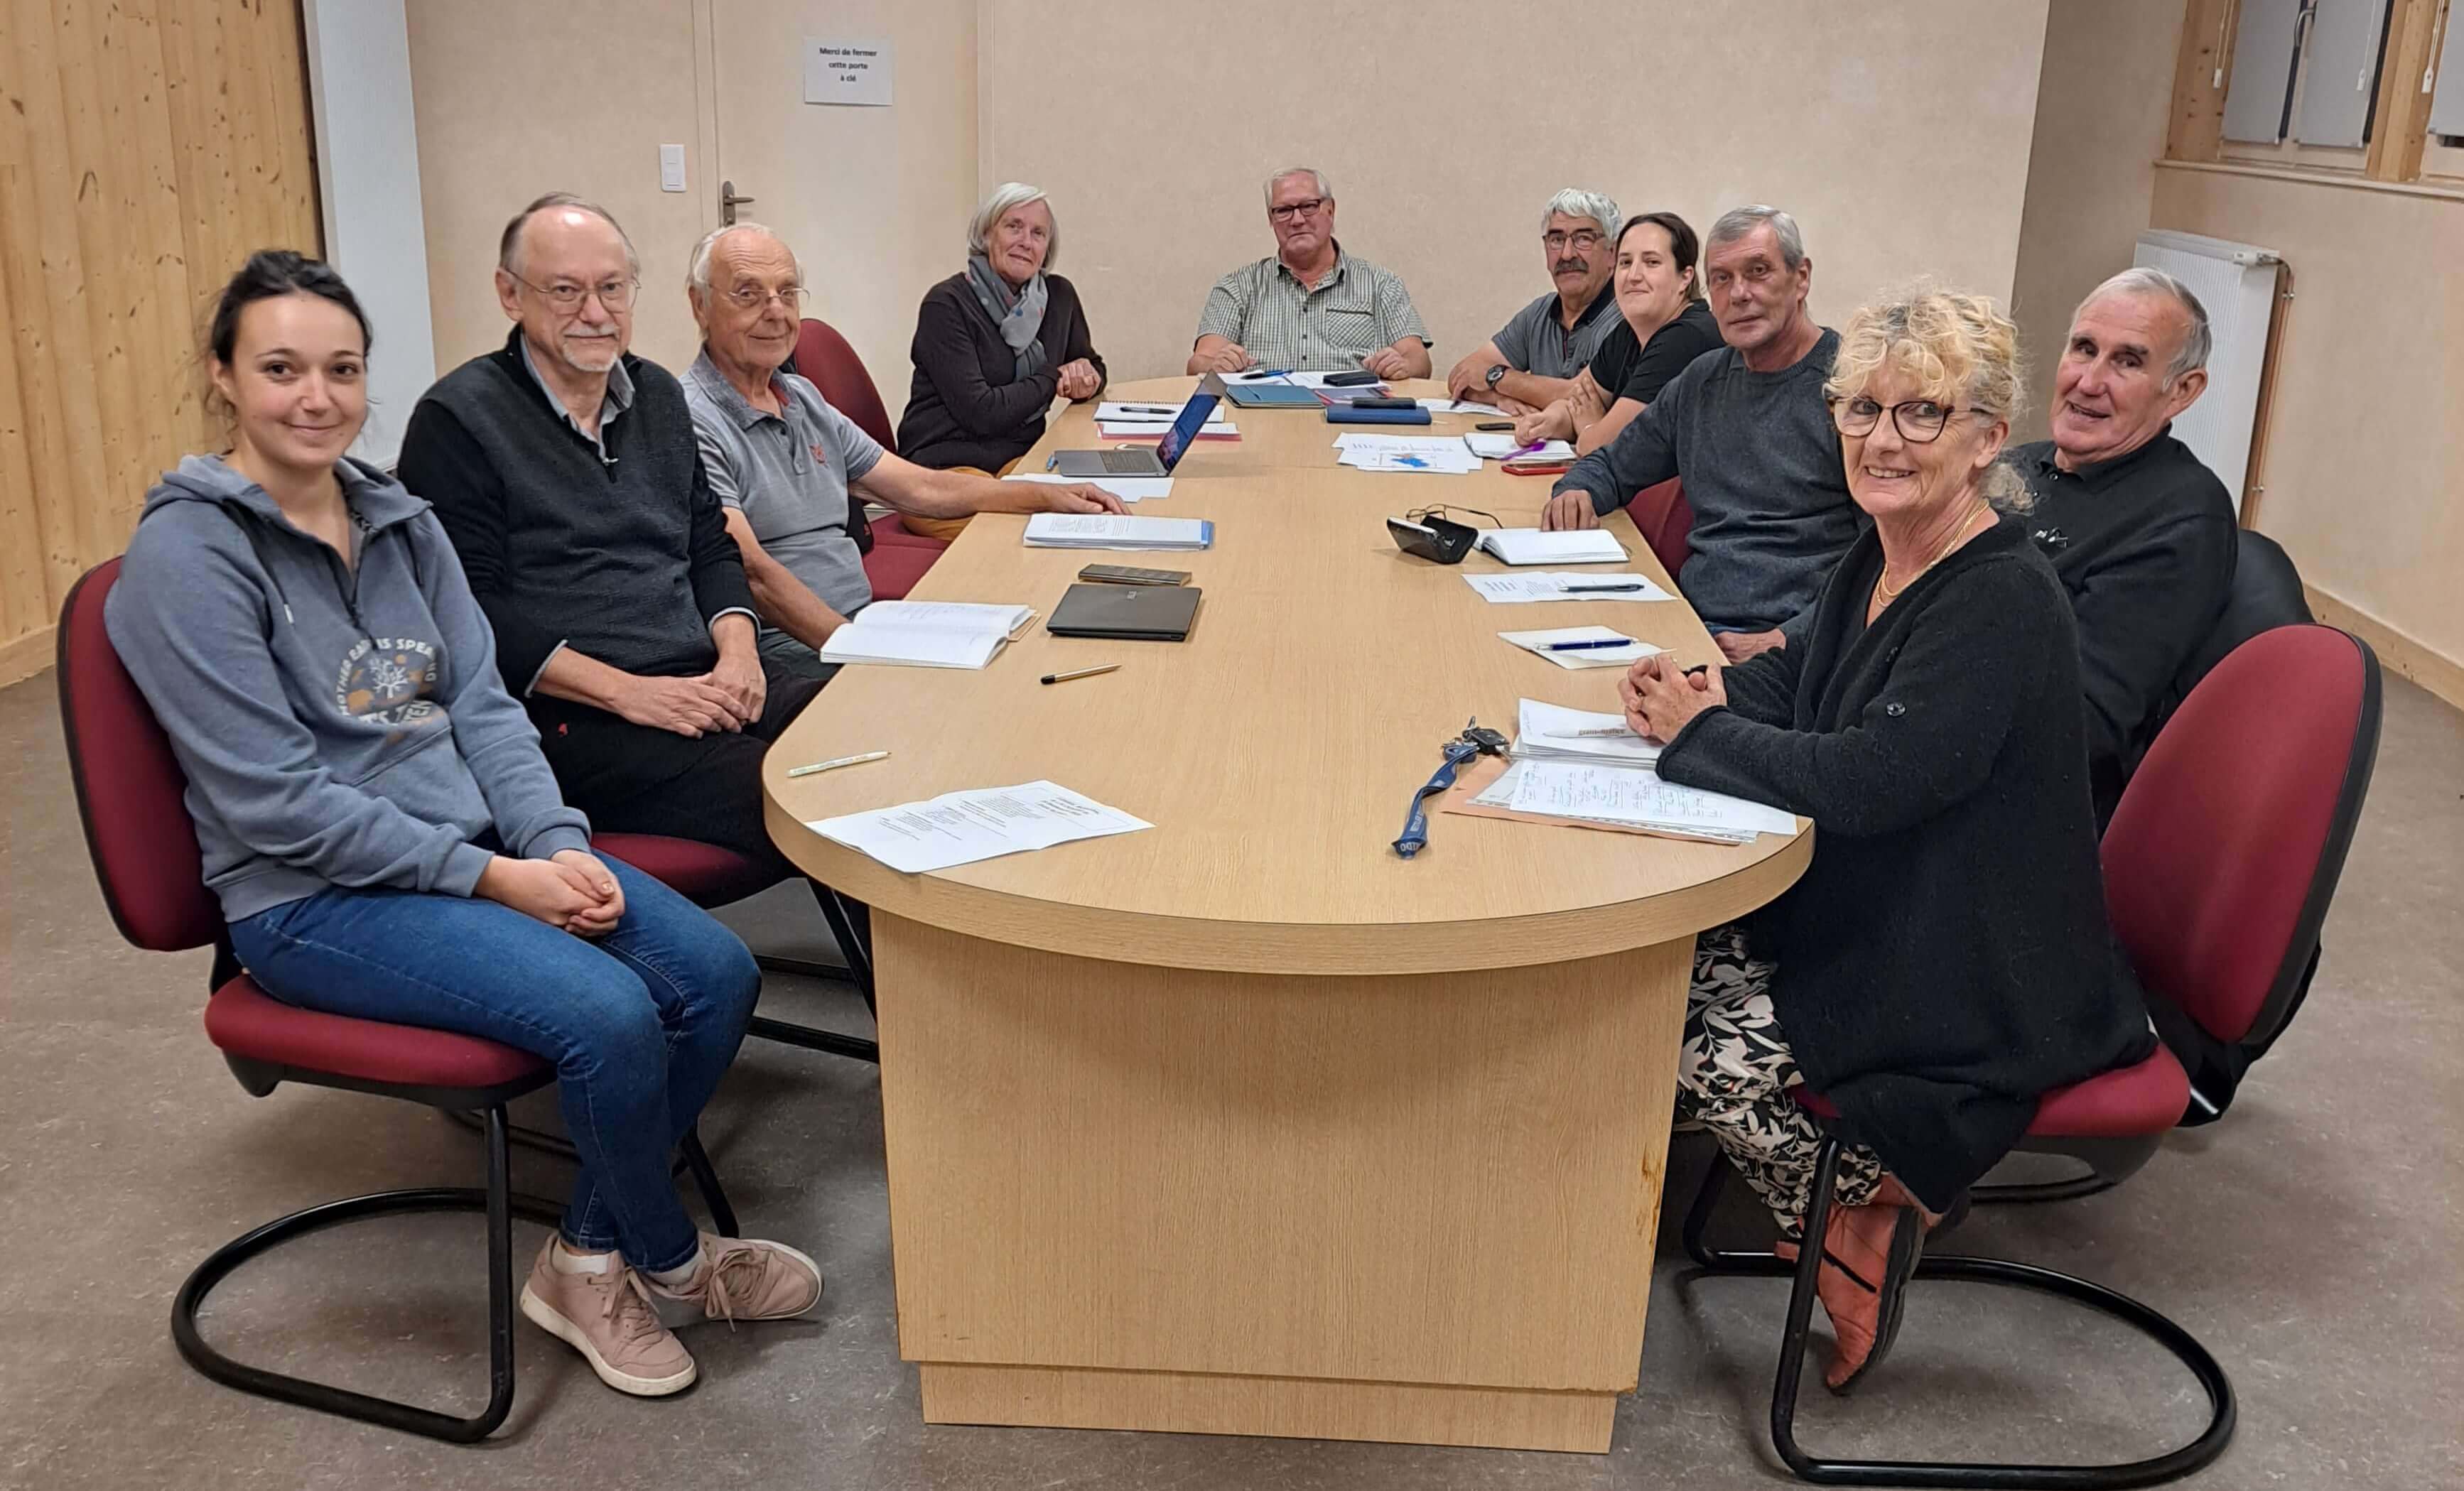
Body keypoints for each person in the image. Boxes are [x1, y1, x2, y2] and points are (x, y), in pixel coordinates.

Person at [107, 249, 821, 1401]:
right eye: (280, 367)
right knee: (612, 1014)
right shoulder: (187, 557)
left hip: (477, 851)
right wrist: (496, 880)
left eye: (341, 368)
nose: (315, 395)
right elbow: (276, 800)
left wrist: (553, 840)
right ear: (223, 375)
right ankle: (670, 1257)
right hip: (313, 897)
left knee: (718, 972)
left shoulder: (393, 519)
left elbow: (486, 705)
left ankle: (584, 1256)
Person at [1621, 290, 2154, 1391]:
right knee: (1650, 976)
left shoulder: (1998, 596)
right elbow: (1802, 682)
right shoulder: (1880, 552)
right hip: (1898, 896)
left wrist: (1701, 735)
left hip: (1977, 958)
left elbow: (1873, 778)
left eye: (1922, 412)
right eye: (1861, 407)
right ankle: (1836, 1196)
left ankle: (1859, 1212)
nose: (1882, 438)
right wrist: (1703, 690)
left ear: (1987, 437)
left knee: (1699, 1045)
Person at [397, 194, 811, 874]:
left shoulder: (659, 396)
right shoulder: (458, 420)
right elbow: (466, 612)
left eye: (612, 288)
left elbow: (709, 543)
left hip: (700, 676)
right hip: (574, 718)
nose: (595, 312)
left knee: (869, 733)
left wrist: (740, 657)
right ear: (510, 294)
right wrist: (632, 693)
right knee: (808, 794)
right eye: (566, 291)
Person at [682, 221, 1124, 677]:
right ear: (700, 305)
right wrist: (864, 652)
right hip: (791, 650)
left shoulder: (801, 397)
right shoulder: (692, 420)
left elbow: (922, 489)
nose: (776, 311)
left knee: (1029, 643)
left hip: (859, 625)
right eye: (749, 295)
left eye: (787, 292)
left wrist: (1048, 496)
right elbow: (751, 573)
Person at [1542, 206, 1861, 661]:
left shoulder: (1855, 394)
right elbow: (1613, 464)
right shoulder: (1702, 382)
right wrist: (1577, 491)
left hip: (1793, 652)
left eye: (1758, 272)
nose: (1740, 294)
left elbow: (1888, 564)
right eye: (1722, 279)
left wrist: (1787, 641)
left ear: (1801, 278)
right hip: (1689, 627)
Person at [2012, 267, 2237, 828]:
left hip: (2021, 811)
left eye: (2128, 362)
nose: (2089, 382)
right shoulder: (2012, 466)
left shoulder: (2182, 518)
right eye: (2084, 348)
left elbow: (2079, 724)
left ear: (2182, 391)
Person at [895, 183, 1109, 536]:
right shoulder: (946, 304)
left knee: (1087, 513)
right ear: (986, 234)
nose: (1026, 241)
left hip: (1019, 462)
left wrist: (1086, 378)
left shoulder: (1059, 297)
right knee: (1022, 533)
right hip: (945, 470)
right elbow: (983, 413)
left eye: (1038, 233)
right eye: (1014, 227)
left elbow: (1092, 365)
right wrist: (1052, 377)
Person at [1187, 166, 1431, 379]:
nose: (1297, 220)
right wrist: (1216, 366)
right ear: (1271, 219)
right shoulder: (1237, 287)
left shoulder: (1381, 284)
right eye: (1283, 210)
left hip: (1352, 413)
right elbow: (1199, 362)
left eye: (1308, 206)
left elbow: (1419, 360)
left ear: (1330, 210)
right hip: (1263, 413)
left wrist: (1403, 366)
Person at [1511, 212, 1721, 456]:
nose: (1633, 276)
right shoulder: (1631, 330)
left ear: (1685, 278)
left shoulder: (1685, 338)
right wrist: (1548, 421)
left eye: (1652, 262)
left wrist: (1589, 429)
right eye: (1625, 263)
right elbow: (1578, 399)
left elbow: (1603, 447)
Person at [1444, 189, 1625, 414]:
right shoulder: (1540, 313)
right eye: (1557, 240)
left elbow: (1580, 399)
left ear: (1612, 254)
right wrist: (1497, 398)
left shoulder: (1628, 318)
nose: (1567, 254)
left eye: (1583, 239)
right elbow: (1461, 375)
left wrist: (1497, 377)